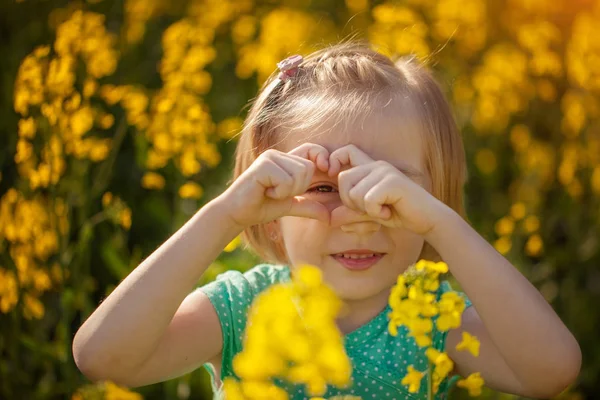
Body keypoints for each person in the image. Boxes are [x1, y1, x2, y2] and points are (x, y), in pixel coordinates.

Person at [72, 41, 582, 399]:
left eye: (391, 189)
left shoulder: (432, 319)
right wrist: (223, 214)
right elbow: (103, 358)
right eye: (322, 189)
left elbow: (551, 372)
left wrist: (444, 227)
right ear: (269, 211)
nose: (361, 219)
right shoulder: (240, 311)